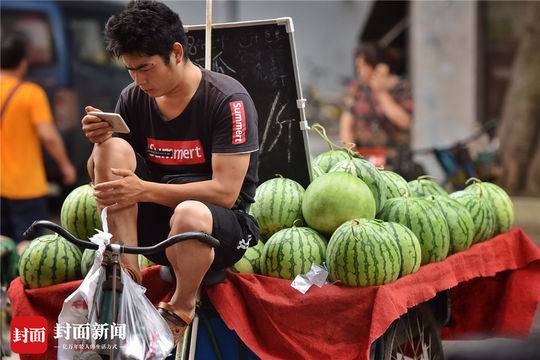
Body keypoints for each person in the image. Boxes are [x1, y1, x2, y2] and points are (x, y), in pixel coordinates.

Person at [81, 0, 260, 345]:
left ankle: (182, 304)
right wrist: (98, 142)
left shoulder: (228, 100)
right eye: (130, 69)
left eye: (145, 68)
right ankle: (127, 277)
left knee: (190, 213)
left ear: (176, 53)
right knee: (112, 148)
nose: (138, 79)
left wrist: (143, 191)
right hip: (155, 228)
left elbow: (225, 192)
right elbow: (101, 173)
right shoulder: (133, 97)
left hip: (219, 227)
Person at [0, 33, 77, 254]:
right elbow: (49, 136)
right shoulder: (30, 94)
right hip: (25, 186)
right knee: (30, 249)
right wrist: (65, 166)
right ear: (23, 63)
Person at [339, 43, 414, 174]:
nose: (360, 71)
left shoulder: (400, 88)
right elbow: (346, 125)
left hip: (394, 162)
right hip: (364, 159)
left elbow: (405, 122)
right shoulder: (357, 89)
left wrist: (380, 92)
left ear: (378, 65)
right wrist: (351, 156)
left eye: (364, 66)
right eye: (358, 66)